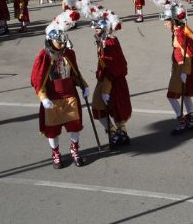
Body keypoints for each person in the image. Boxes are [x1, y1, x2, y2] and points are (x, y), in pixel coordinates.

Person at [31, 10, 89, 168]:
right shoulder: (43, 56)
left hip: (70, 95)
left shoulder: (69, 53)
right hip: (52, 98)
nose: (63, 45)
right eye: (60, 42)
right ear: (51, 40)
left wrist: (84, 86)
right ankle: (55, 152)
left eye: (64, 42)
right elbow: (37, 79)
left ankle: (74, 149)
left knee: (75, 125)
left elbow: (75, 72)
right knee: (52, 129)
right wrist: (43, 98)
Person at [156, 0, 193, 135]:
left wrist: (183, 72)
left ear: (173, 21)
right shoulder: (179, 31)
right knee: (186, 94)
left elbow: (188, 54)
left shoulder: (180, 34)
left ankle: (182, 121)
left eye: (166, 21)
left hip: (182, 68)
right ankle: (191, 119)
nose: (165, 24)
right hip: (179, 67)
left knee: (171, 96)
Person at [90, 9, 132, 148]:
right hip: (111, 80)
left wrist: (106, 90)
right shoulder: (107, 41)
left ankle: (114, 134)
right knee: (116, 108)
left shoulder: (108, 44)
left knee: (98, 106)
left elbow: (110, 68)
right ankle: (121, 133)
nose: (94, 31)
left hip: (110, 81)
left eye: (97, 29)